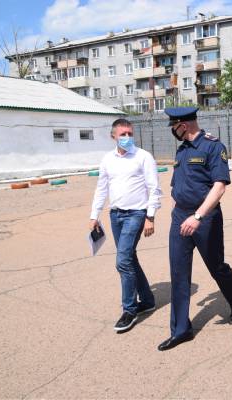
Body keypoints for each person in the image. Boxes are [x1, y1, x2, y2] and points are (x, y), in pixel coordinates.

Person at [157, 107, 232, 351]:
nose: (172, 131)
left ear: (183, 125)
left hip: (205, 218)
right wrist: (177, 212)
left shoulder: (213, 147)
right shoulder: (182, 149)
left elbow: (219, 186)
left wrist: (197, 216)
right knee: (178, 273)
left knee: (217, 266)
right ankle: (180, 330)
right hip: (180, 217)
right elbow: (177, 186)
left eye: (174, 126)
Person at [89, 118, 162, 333]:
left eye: (130, 133)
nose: (127, 137)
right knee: (129, 258)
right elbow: (101, 188)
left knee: (122, 262)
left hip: (136, 214)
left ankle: (129, 310)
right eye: (123, 134)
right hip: (116, 215)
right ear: (113, 136)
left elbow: (154, 188)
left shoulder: (143, 157)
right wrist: (94, 215)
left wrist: (150, 217)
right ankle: (147, 300)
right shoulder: (107, 159)